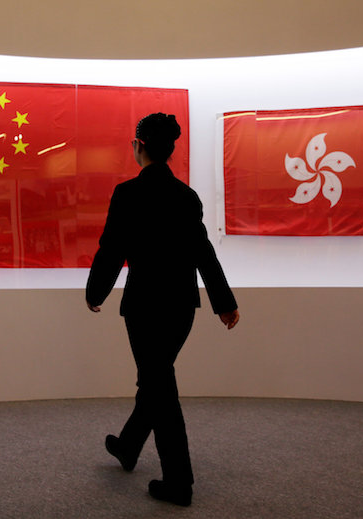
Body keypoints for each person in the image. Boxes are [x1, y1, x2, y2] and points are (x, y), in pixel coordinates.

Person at [86, 112, 239, 507]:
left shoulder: (127, 194)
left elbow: (112, 250)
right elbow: (203, 254)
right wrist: (224, 303)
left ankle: (179, 481)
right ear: (169, 151)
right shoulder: (186, 197)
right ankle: (128, 445)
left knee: (159, 386)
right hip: (180, 309)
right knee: (155, 379)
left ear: (139, 147)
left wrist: (96, 292)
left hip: (143, 307)